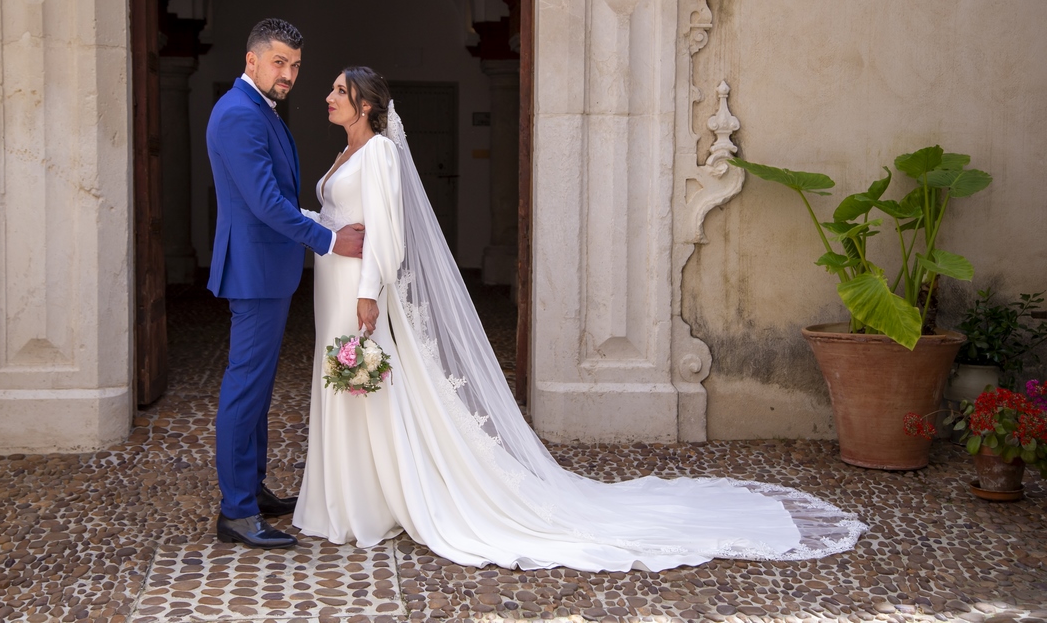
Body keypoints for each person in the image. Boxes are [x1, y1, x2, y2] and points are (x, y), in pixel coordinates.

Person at [293, 66, 868, 571]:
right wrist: (302, 220)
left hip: (355, 288)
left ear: (365, 104)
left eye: (339, 91)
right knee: (343, 382)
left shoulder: (380, 152)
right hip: (330, 282)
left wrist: (369, 293)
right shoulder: (346, 153)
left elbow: (387, 233)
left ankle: (370, 502)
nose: (328, 97)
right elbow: (340, 216)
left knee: (364, 384)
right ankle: (341, 497)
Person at [206, 19, 364, 549]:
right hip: (253, 270)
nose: (289, 74)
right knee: (244, 388)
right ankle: (236, 513)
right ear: (251, 60)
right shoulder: (238, 112)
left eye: (295, 65)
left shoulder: (258, 109)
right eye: (279, 62)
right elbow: (265, 202)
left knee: (257, 388)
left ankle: (251, 491)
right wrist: (327, 240)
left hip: (266, 268)